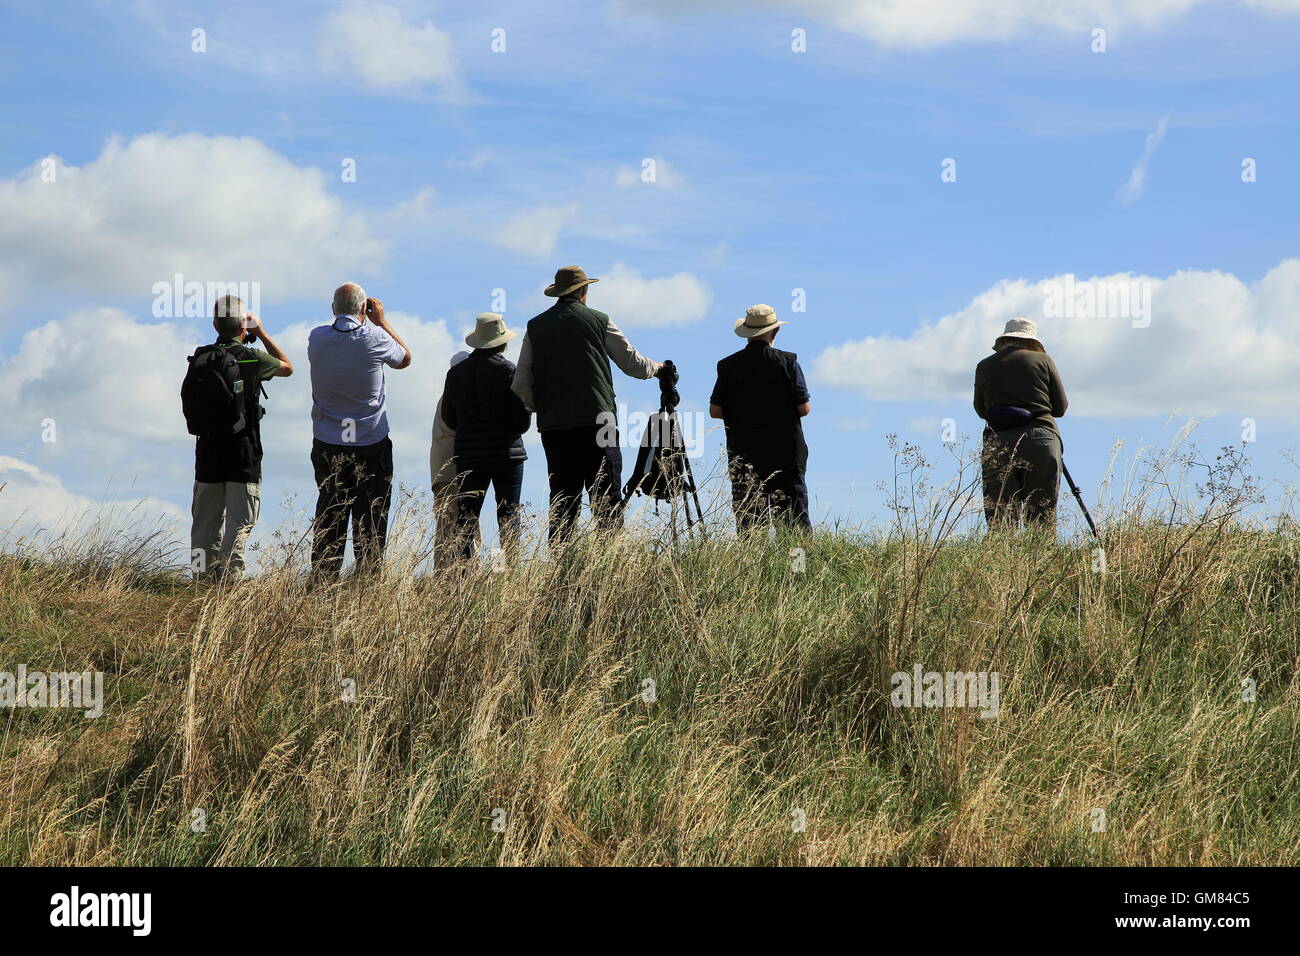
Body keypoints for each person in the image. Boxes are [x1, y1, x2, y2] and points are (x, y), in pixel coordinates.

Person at [511, 266, 661, 542]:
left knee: (563, 502)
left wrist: (541, 406)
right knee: (606, 499)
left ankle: (561, 568)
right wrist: (658, 368)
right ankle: (607, 566)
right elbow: (633, 365)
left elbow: (520, 382)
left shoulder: (535, 327)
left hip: (555, 427)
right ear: (584, 291)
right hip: (600, 421)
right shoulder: (600, 320)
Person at [183, 295, 294, 582]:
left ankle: (201, 577)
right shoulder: (250, 356)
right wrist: (262, 333)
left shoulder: (201, 357)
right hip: (243, 451)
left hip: (207, 450)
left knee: (204, 522)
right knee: (239, 522)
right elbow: (287, 367)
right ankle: (230, 579)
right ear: (243, 327)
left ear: (215, 325)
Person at [307, 282, 412, 582]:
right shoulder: (375, 336)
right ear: (364, 309)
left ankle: (323, 580)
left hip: (328, 441)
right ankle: (367, 579)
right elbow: (405, 358)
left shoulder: (316, 338)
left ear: (333, 309)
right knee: (372, 517)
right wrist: (382, 322)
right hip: (370, 441)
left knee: (331, 512)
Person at [709, 304, 812, 532]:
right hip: (786, 457)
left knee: (751, 533)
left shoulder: (727, 366)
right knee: (794, 531)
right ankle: (798, 568)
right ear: (775, 332)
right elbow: (804, 408)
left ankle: (754, 569)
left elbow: (715, 411)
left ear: (746, 333)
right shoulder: (788, 362)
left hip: (743, 458)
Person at [441, 313, 531, 562]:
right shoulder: (509, 371)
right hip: (507, 455)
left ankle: (464, 577)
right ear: (502, 342)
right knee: (509, 516)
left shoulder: (455, 374)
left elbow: (449, 418)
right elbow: (522, 422)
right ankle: (507, 574)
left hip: (469, 456)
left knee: (466, 519)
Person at [973, 317, 1069, 529]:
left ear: (1004, 340)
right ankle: (1040, 559)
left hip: (998, 443)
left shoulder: (984, 365)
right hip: (1040, 440)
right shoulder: (1043, 360)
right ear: (1031, 341)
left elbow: (981, 410)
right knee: (1041, 518)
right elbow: (1060, 407)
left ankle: (1004, 561)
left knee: (1001, 520)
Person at [430, 349, 471, 566]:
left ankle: (446, 579)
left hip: (441, 471)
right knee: (457, 528)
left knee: (445, 526)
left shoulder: (444, 397)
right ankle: (457, 577)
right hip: (453, 469)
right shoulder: (456, 397)